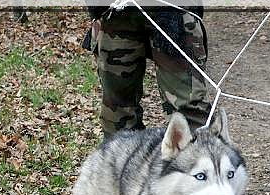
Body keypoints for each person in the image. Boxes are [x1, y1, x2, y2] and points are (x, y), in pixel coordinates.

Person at [83, 4, 210, 137]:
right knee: (117, 113)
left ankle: (199, 157)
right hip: (114, 12)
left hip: (174, 10)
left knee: (190, 115)